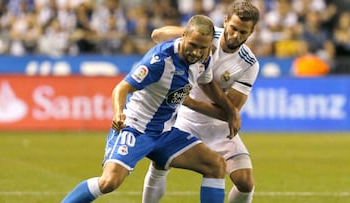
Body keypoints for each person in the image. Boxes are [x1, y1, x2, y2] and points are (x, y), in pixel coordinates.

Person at [61, 15, 240, 203]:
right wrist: (118, 112)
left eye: (202, 48)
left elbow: (208, 83)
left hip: (165, 132)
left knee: (216, 166)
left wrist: (230, 111)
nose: (196, 52)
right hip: (136, 128)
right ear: (184, 35)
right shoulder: (160, 60)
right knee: (109, 182)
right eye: (192, 45)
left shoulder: (205, 57)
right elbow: (122, 88)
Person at [143, 1, 260, 203]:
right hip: (184, 121)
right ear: (225, 22)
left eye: (243, 32)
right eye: (233, 28)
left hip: (217, 127)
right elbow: (157, 35)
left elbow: (227, 112)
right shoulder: (206, 36)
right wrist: (190, 34)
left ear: (251, 32)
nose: (236, 36)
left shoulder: (249, 63)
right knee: (160, 163)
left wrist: (187, 101)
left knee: (245, 182)